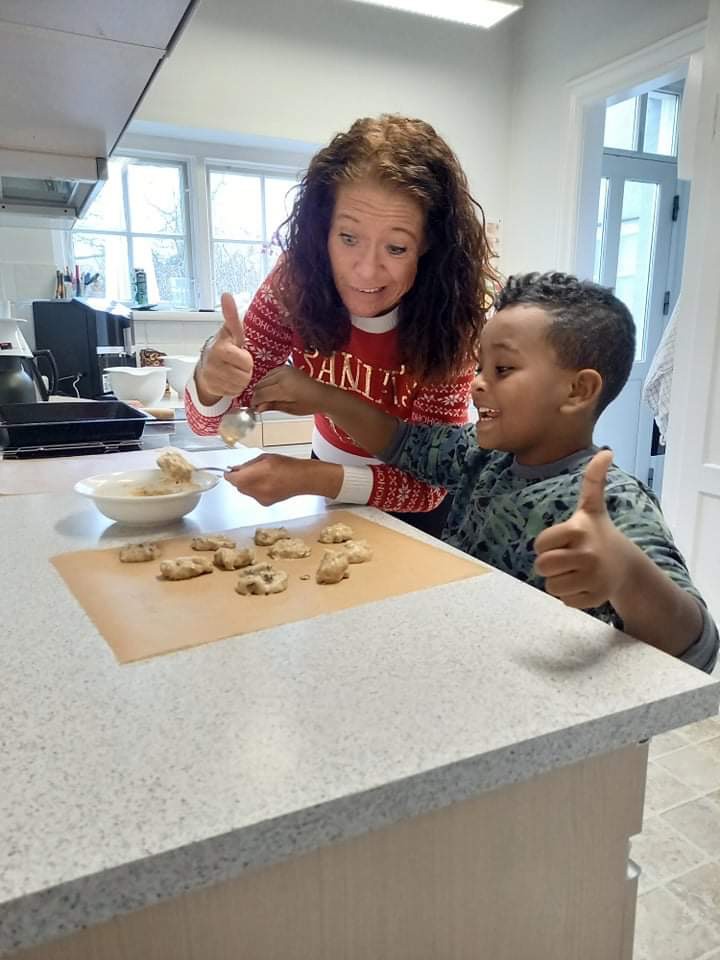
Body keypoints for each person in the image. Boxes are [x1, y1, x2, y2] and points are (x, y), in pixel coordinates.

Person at [242, 272, 718, 673]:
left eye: (502, 369)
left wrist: (625, 571)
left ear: (578, 391)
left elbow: (696, 644)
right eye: (479, 366)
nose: (476, 385)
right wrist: (322, 396)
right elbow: (401, 441)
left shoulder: (611, 500)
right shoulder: (482, 455)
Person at [186, 114, 498, 537]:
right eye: (348, 238)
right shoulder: (293, 285)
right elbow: (213, 425)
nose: (366, 271)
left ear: (428, 244)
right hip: (329, 478)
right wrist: (210, 380)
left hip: (414, 507)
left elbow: (427, 486)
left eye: (396, 247)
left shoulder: (452, 316)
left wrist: (309, 477)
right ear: (322, 230)